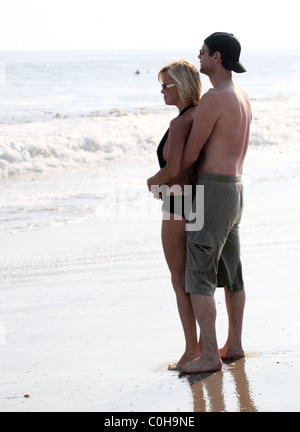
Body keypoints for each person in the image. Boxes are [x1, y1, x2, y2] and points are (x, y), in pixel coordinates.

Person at [180, 32, 252, 374]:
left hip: (212, 190)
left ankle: (209, 355)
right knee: (232, 271)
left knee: (199, 271)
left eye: (204, 52)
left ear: (218, 58)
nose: (199, 56)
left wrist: (166, 175)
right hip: (235, 188)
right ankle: (234, 344)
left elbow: (192, 154)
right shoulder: (241, 94)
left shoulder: (214, 97)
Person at [147, 60, 202, 370]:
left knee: (179, 281)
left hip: (177, 205)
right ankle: (203, 345)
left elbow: (174, 168)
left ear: (180, 86)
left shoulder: (179, 123)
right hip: (199, 201)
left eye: (166, 85)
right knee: (198, 279)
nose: (162, 91)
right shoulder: (201, 115)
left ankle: (190, 351)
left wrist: (150, 182)